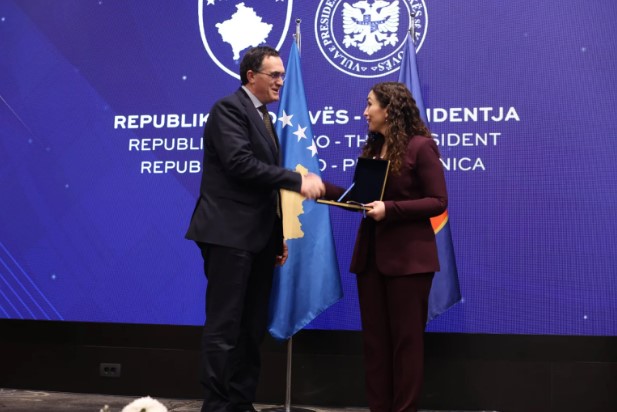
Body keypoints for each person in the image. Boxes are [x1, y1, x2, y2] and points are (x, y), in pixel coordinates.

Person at [185, 45, 325, 412]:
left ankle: (241, 403)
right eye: (274, 75)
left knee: (251, 328)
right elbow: (240, 165)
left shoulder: (263, 117)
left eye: (282, 75)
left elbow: (264, 190)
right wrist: (297, 180)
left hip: (258, 240)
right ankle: (217, 406)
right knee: (225, 326)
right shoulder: (228, 109)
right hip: (228, 235)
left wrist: (277, 238)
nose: (281, 81)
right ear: (251, 76)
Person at [323, 82, 448, 412]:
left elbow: (438, 201)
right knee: (375, 344)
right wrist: (321, 188)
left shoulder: (421, 147)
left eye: (370, 105)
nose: (365, 112)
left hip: (409, 262)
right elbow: (361, 199)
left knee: (406, 344)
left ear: (389, 110)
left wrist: (389, 210)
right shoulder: (373, 148)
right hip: (371, 261)